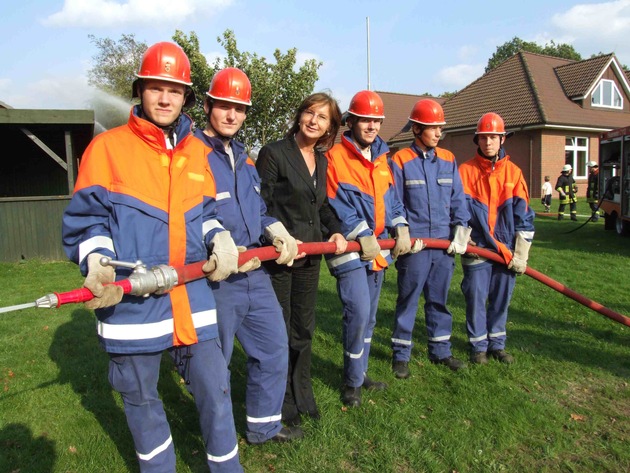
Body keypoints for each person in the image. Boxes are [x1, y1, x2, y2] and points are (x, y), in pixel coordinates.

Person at [62, 42, 243, 472]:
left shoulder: (198, 151)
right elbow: (86, 223)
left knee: (217, 393)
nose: (165, 99)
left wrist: (220, 240)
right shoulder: (106, 149)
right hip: (131, 307)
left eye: (175, 90)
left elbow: (207, 214)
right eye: (156, 88)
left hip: (192, 303)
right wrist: (98, 261)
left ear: (185, 97)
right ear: (140, 90)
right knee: (143, 405)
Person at [193, 67, 303, 444]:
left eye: (239, 109)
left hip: (255, 273)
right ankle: (218, 438)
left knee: (274, 349)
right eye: (224, 106)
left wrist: (274, 228)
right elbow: (190, 212)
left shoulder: (245, 159)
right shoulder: (191, 154)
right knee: (215, 366)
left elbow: (256, 209)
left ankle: (263, 426)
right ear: (208, 106)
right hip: (217, 278)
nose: (231, 116)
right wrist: (216, 239)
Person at [256, 92, 348, 426]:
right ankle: (281, 399)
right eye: (309, 113)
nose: (314, 121)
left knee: (303, 328)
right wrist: (278, 234)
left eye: (322, 117)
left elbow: (320, 206)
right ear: (300, 116)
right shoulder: (274, 153)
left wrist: (337, 232)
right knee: (279, 330)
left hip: (311, 258)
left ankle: (302, 391)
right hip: (281, 256)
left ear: (330, 127)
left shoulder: (321, 160)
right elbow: (261, 204)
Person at [325, 90, 411, 407]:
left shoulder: (384, 160)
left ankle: (359, 374)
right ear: (352, 121)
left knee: (371, 317)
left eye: (376, 120)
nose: (372, 126)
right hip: (348, 247)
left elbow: (393, 201)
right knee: (358, 313)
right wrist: (360, 232)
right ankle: (351, 383)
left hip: (378, 251)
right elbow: (335, 201)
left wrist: (400, 225)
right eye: (366, 120)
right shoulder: (335, 157)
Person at [389, 99, 471, 378]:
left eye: (440, 129)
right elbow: (395, 203)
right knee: (408, 300)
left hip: (443, 246)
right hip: (416, 247)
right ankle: (401, 355)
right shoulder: (400, 160)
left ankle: (441, 351)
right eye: (432, 128)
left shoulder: (448, 159)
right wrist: (403, 233)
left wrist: (461, 229)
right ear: (416, 129)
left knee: (439, 301)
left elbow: (458, 198)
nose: (438, 134)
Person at [458, 112, 535, 365]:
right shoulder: (465, 171)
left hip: (506, 251)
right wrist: (464, 240)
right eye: (483, 137)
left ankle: (497, 345)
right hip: (477, 248)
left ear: (503, 139)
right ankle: (478, 346)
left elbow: (523, 214)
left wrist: (521, 253)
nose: (488, 142)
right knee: (476, 299)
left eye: (493, 137)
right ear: (477, 140)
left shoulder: (514, 173)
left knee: (501, 300)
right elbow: (458, 212)